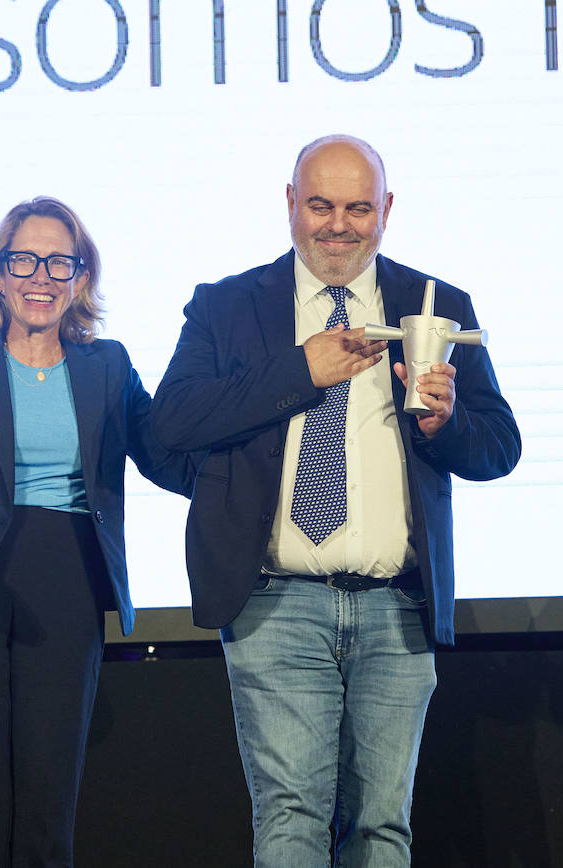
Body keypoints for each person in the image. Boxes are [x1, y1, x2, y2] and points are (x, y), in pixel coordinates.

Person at [152, 135, 521, 866]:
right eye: (320, 205)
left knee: (383, 826)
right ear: (291, 204)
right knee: (290, 820)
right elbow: (170, 425)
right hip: (274, 603)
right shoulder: (228, 307)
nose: (338, 226)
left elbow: (499, 447)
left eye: (358, 208)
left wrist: (446, 423)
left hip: (398, 606)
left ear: (386, 210)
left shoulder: (439, 303)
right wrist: (301, 370)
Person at [0, 195, 197, 867]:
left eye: (61, 262)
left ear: (81, 279)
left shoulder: (107, 367)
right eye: (24, 259)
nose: (42, 277)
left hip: (68, 590)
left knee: (47, 816)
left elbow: (169, 461)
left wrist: (253, 442)